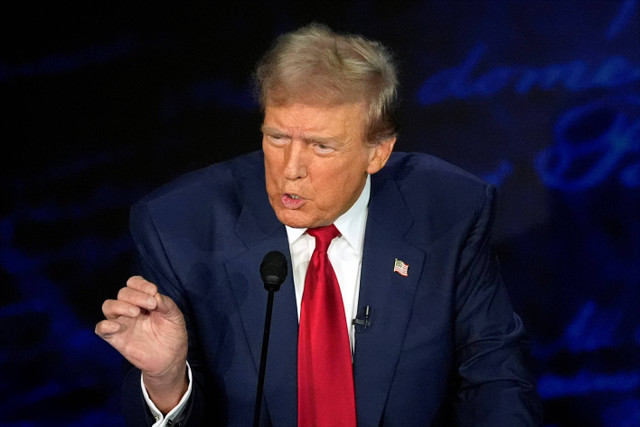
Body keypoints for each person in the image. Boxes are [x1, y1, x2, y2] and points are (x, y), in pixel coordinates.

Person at [95, 23, 542, 426]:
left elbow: (494, 378)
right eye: (277, 138)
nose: (291, 168)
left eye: (321, 146)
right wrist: (167, 380)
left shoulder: (449, 210)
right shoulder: (180, 225)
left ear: (378, 152)